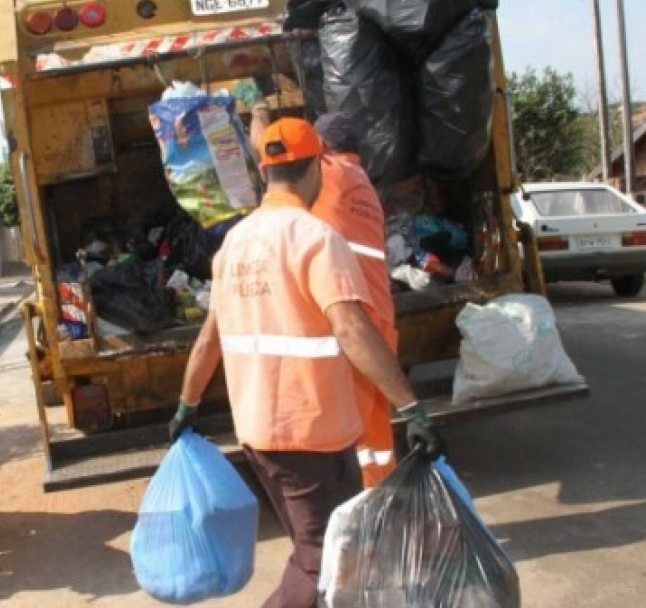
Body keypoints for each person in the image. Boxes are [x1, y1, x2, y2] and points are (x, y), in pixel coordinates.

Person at [168, 118, 442, 608]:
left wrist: (187, 405)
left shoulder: (234, 244)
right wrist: (412, 408)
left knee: (323, 548)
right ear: (318, 164)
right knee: (321, 559)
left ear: (264, 169)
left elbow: (209, 338)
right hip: (311, 432)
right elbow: (353, 329)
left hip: (258, 432)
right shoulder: (315, 238)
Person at [311, 112, 398, 488]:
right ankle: (380, 500)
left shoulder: (331, 174)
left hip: (357, 320)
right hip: (378, 316)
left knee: (359, 426)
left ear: (324, 149)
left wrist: (260, 113)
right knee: (375, 427)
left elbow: (273, 158)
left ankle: (368, 508)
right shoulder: (359, 178)